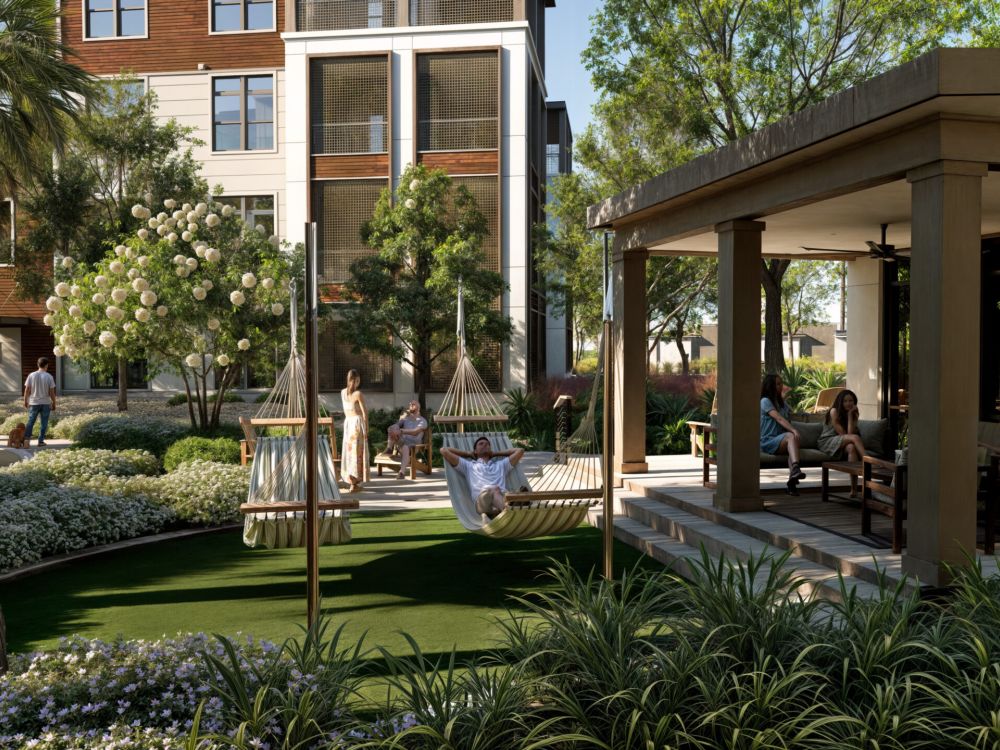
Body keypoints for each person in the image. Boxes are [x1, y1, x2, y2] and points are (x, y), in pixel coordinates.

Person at [441, 436, 525, 518]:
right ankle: (510, 511)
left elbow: (520, 451)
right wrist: (467, 453)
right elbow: (444, 450)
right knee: (494, 489)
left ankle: (503, 509)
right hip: (482, 502)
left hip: (502, 496)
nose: (485, 445)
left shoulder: (501, 465)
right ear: (475, 451)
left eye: (487, 444)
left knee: (515, 492)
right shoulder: (468, 466)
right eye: (481, 444)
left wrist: (495, 453)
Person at [760, 372, 806, 495]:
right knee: (791, 436)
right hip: (768, 441)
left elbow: (791, 415)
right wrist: (794, 430)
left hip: (781, 441)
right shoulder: (765, 401)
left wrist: (784, 399)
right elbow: (779, 418)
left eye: (781, 383)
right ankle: (795, 467)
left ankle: (791, 484)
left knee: (793, 444)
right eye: (778, 384)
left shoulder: (781, 402)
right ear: (770, 386)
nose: (781, 386)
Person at [818, 389, 866, 494]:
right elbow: (844, 435)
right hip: (828, 440)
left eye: (851, 401)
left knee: (851, 448)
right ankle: (869, 462)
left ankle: (853, 489)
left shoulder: (852, 413)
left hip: (842, 441)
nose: (848, 403)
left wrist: (850, 416)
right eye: (845, 401)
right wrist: (850, 416)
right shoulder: (834, 411)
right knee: (855, 438)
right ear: (840, 402)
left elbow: (849, 433)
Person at [340, 369, 369, 493]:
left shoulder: (342, 393)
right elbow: (364, 413)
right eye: (357, 380)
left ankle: (352, 482)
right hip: (356, 423)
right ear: (354, 380)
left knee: (350, 454)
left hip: (348, 423)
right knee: (358, 453)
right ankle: (355, 484)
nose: (358, 382)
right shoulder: (358, 394)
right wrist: (366, 428)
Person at [385, 399, 428, 479]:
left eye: (413, 404)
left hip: (415, 445)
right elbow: (394, 427)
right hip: (402, 442)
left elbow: (415, 432)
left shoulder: (422, 421)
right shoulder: (406, 419)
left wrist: (401, 431)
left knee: (405, 447)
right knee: (391, 428)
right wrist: (400, 421)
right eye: (410, 404)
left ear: (418, 407)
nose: (410, 405)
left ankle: (401, 472)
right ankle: (389, 448)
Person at [24, 357, 56, 447]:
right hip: (45, 403)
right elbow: (52, 392)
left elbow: (27, 390)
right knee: (44, 423)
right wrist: (54, 403)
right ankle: (40, 441)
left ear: (38, 364)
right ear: (46, 365)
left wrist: (25, 401)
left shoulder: (31, 375)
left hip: (34, 402)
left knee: (31, 421)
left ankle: (26, 440)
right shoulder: (49, 376)